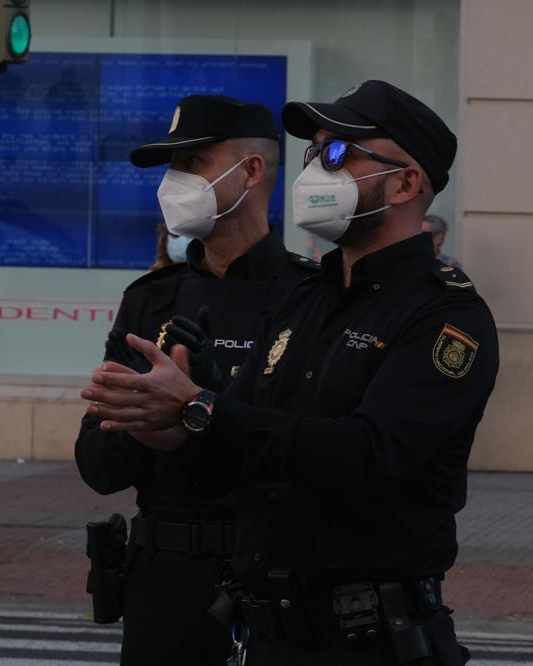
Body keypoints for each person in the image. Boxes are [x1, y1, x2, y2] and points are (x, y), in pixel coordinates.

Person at [80, 80, 499, 665]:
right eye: (313, 152)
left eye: (336, 153)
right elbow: (232, 451)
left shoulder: (446, 316)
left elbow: (370, 454)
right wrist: (161, 422)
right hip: (266, 633)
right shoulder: (306, 302)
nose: (316, 170)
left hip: (370, 640)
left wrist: (201, 407)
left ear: (406, 183)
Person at [74, 94, 318, 666]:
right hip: (164, 582)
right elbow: (97, 465)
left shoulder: (311, 300)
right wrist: (144, 429)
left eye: (192, 164)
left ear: (251, 170)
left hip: (276, 578)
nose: (173, 183)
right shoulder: (151, 299)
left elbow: (306, 452)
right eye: (172, 168)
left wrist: (191, 414)